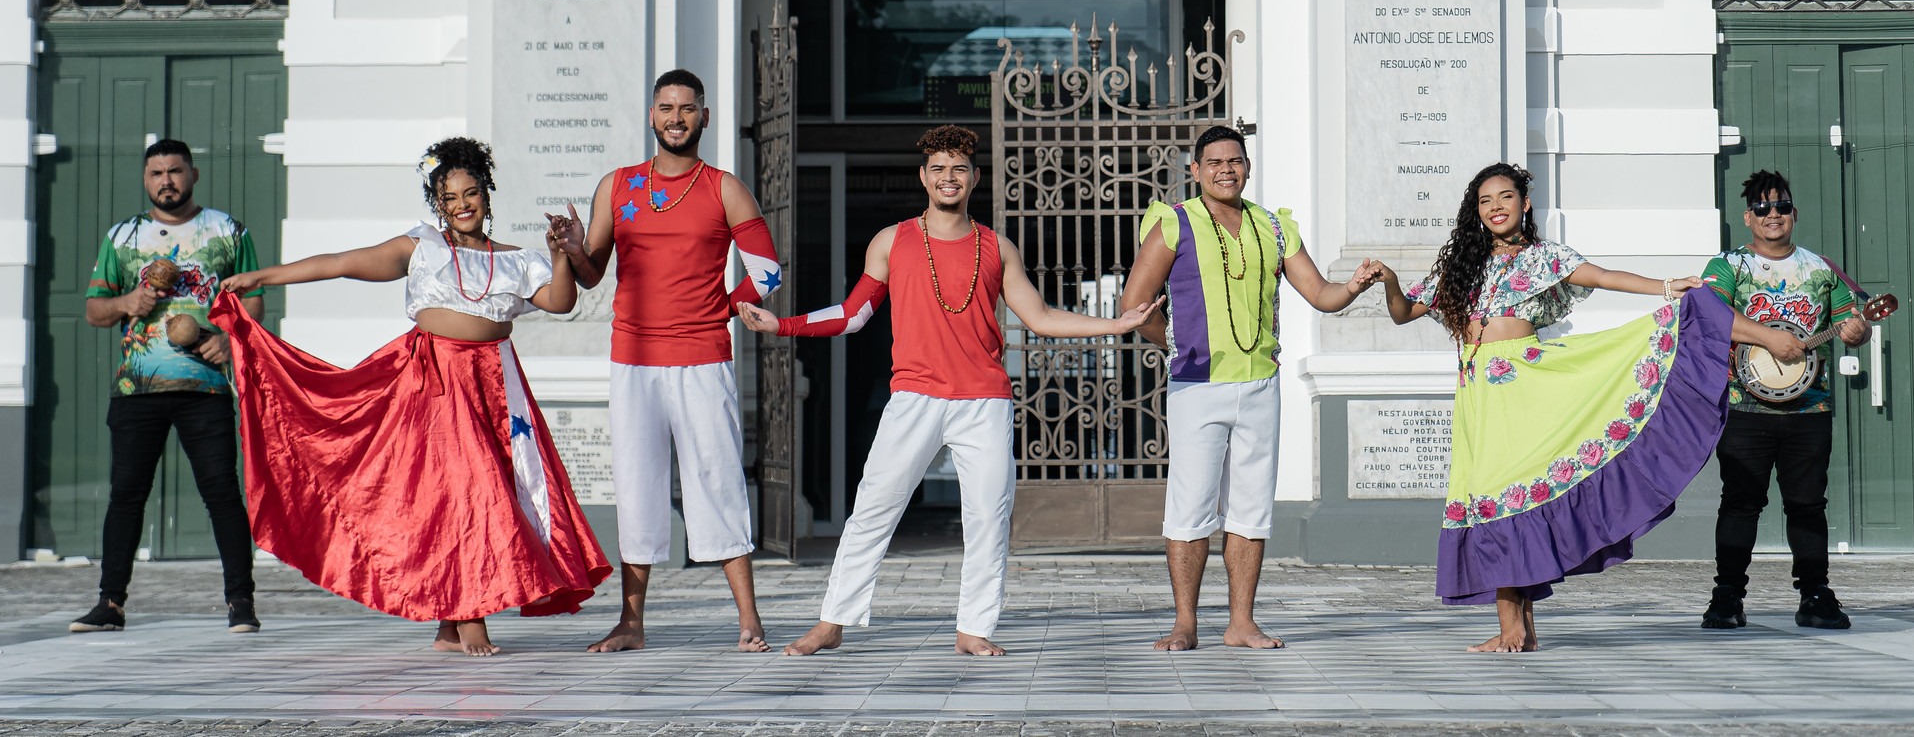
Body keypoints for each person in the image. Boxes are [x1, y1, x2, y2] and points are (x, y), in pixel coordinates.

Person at [738, 123, 1161, 657]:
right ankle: (833, 621)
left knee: (987, 515)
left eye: (959, 169)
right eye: (938, 168)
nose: (948, 177)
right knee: (873, 507)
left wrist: (1117, 325)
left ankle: (974, 629)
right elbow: (853, 314)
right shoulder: (891, 241)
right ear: (923, 176)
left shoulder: (996, 247)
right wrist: (783, 326)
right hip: (914, 397)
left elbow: (1042, 318)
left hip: (983, 400)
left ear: (975, 177)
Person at [1366, 161, 1806, 652]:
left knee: (1514, 492)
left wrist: (1664, 288)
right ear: (1476, 210)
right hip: (1479, 393)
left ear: (1524, 203)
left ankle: (1515, 628)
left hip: (1528, 382)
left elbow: (1603, 274)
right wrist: (1387, 280)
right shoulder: (1461, 266)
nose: (1496, 208)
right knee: (1495, 497)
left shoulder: (1543, 257)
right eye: (1486, 201)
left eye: (1505, 197)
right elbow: (1405, 312)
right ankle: (1518, 629)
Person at [215, 137, 612, 657]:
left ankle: (450, 625)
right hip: (430, 381)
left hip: (494, 385)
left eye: (472, 193)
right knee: (468, 490)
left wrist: (561, 255)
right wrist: (263, 276)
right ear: (437, 203)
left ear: (487, 196)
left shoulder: (515, 260)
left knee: (472, 493)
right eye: (450, 198)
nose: (463, 204)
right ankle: (471, 618)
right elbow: (342, 261)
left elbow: (561, 302)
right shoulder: (422, 248)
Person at [1117, 124, 1386, 651]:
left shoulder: (1274, 227)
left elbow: (1322, 295)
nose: (1225, 169)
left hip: (1260, 385)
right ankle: (1186, 623)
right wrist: (1174, 341)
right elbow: (1135, 304)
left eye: (1235, 161)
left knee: (1251, 508)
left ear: (1247, 167)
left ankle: (1242, 622)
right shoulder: (1173, 223)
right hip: (1197, 385)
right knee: (1191, 506)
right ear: (1194, 171)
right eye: (1213, 162)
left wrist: (1355, 284)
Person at [546, 69, 784, 654]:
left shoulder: (724, 188)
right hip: (633, 357)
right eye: (665, 107)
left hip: (702, 358)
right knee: (636, 485)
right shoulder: (618, 186)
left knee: (717, 478)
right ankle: (631, 622)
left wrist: (723, 308)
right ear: (651, 116)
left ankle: (749, 619)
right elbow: (593, 272)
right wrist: (575, 248)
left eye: (686, 108)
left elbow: (769, 272)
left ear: (703, 116)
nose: (675, 117)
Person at [72, 139, 265, 635]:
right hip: (137, 388)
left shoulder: (228, 231)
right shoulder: (122, 237)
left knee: (222, 493)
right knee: (126, 496)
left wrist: (227, 338)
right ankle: (110, 603)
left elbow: (254, 304)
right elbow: (95, 310)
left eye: (175, 171)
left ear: (193, 175)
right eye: (156, 172)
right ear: (145, 179)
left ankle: (241, 603)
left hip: (205, 388)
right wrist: (126, 303)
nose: (167, 181)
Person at [1699, 169, 1871, 632]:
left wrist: (1858, 329)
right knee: (1739, 503)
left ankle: (1815, 595)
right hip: (1743, 407)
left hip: (1809, 408)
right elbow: (1713, 317)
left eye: (1780, 206)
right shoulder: (1728, 266)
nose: (1771, 214)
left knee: (1808, 504)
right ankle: (1727, 596)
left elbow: (1853, 325)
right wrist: (1771, 340)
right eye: (1761, 207)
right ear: (1748, 217)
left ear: (1794, 213)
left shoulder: (1822, 268)